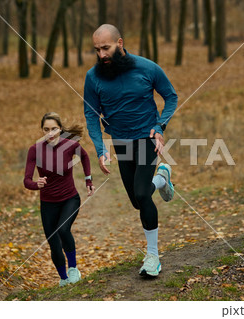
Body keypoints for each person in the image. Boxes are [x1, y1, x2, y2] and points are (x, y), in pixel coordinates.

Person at [83, 24, 177, 277]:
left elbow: (171, 97)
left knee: (142, 195)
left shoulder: (147, 68)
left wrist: (160, 126)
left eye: (106, 48)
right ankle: (162, 178)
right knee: (137, 200)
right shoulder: (93, 78)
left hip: (147, 137)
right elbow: (91, 116)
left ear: (120, 43)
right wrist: (101, 148)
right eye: (97, 49)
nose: (101, 55)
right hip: (121, 143)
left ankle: (153, 257)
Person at [24, 112, 95, 287]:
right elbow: (27, 180)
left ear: (60, 129)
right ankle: (63, 279)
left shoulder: (70, 145)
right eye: (46, 129)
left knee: (63, 231)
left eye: (54, 129)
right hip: (48, 204)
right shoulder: (35, 150)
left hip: (69, 199)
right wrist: (36, 184)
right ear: (42, 130)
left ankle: (73, 270)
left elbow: (85, 157)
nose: (50, 133)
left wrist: (88, 180)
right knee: (54, 245)